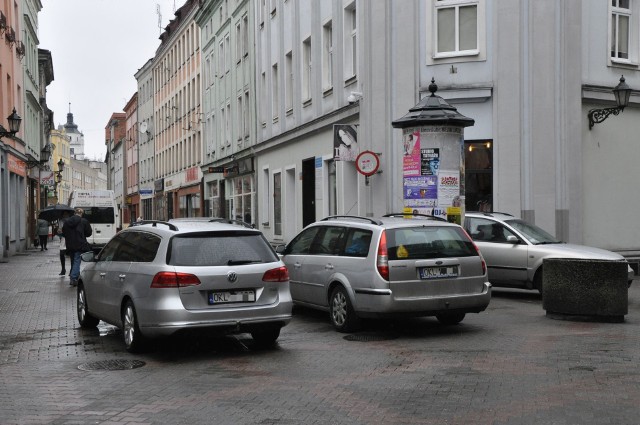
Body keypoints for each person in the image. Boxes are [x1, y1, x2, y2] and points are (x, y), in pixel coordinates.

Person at [63, 207, 92, 287]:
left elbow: (64, 232)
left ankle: (75, 274)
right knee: (77, 260)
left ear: (74, 213)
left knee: (73, 260)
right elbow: (89, 233)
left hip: (69, 244)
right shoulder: (84, 221)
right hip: (79, 244)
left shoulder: (67, 221)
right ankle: (74, 278)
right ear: (81, 214)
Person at [57, 212, 71, 276]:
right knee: (62, 254)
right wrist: (59, 231)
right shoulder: (61, 221)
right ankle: (63, 269)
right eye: (64, 214)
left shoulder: (71, 220)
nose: (65, 215)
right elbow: (59, 230)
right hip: (63, 239)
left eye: (66, 214)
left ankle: (72, 270)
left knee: (72, 255)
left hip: (70, 240)